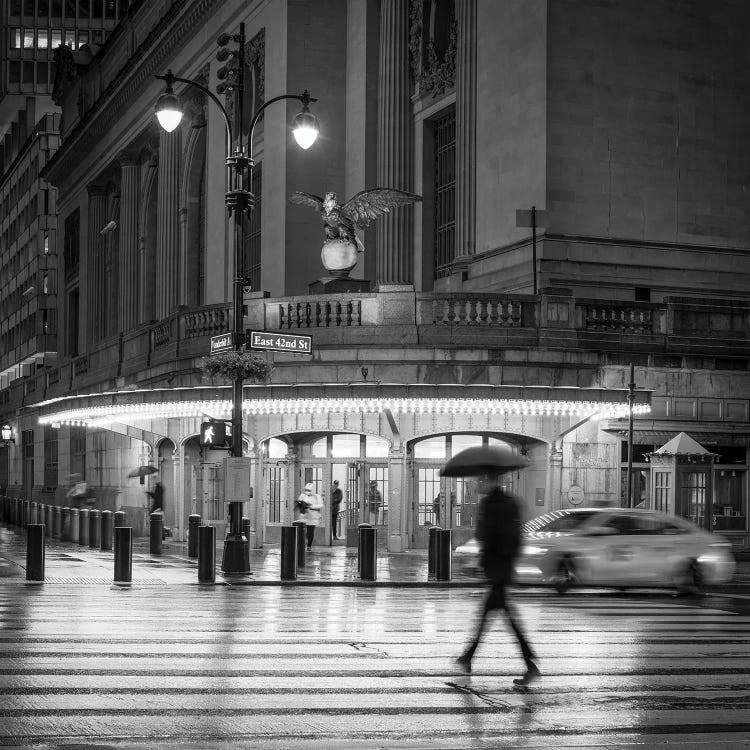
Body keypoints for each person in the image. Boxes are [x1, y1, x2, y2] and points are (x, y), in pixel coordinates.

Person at [455, 472, 540, 687]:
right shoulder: (511, 502)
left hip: (496, 568)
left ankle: (529, 664)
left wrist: (482, 523)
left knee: (496, 618)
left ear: (490, 481)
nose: (476, 484)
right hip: (503, 567)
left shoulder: (491, 505)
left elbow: (485, 536)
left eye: (479, 480)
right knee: (496, 616)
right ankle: (469, 657)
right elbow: (516, 536)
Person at [297, 482, 324, 549]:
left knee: (310, 531)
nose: (307, 492)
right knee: (303, 531)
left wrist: (312, 506)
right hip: (304, 516)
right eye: (306, 490)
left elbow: (321, 505)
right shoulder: (303, 496)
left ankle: (309, 545)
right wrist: (302, 505)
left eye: (309, 490)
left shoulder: (317, 496)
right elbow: (299, 503)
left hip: (313, 517)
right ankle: (302, 544)